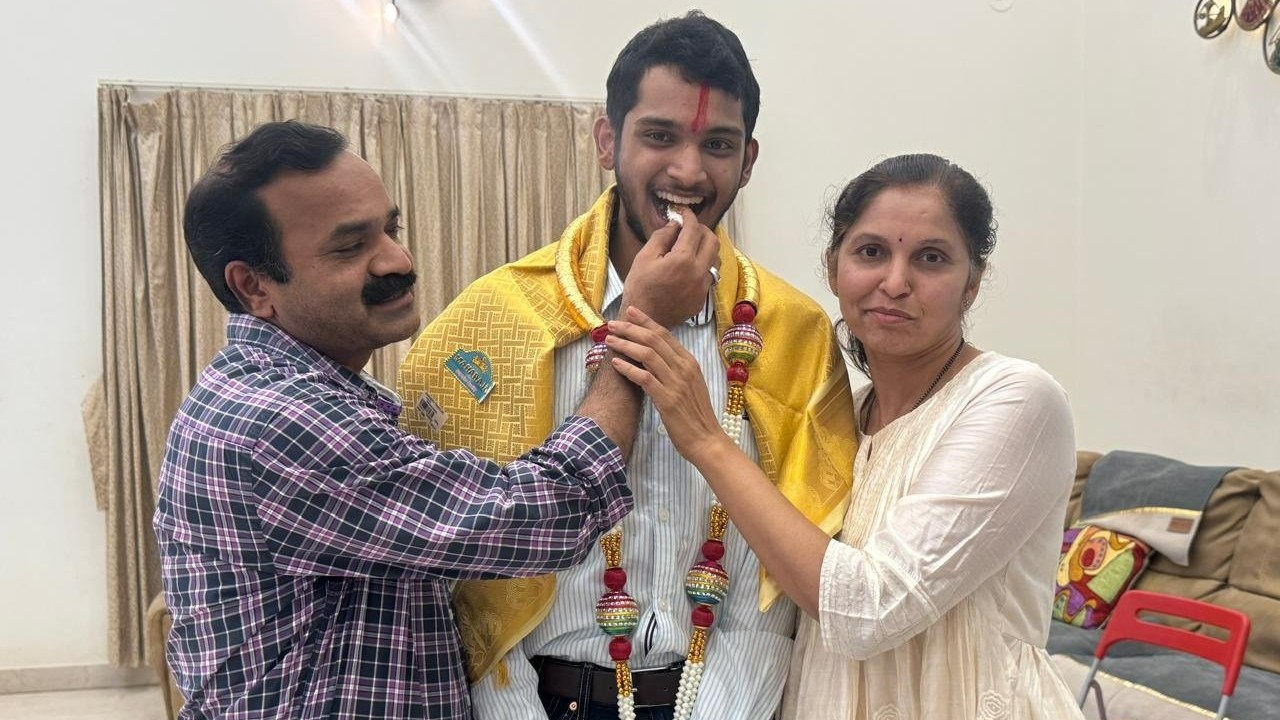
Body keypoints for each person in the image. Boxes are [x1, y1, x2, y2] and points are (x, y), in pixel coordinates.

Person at [153, 119, 712, 719]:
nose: (397, 259)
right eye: (349, 246)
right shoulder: (276, 421)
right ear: (253, 286)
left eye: (390, 229)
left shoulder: (319, 392)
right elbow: (548, 509)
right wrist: (641, 322)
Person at [396, 11, 856, 720]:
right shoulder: (491, 322)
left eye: (719, 144)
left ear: (750, 160)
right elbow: (453, 559)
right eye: (660, 135)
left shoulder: (791, 334)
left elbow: (782, 572)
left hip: (725, 699)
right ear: (607, 140)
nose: (689, 170)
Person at [607, 154, 1086, 718]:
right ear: (833, 269)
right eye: (871, 252)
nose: (895, 282)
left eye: (930, 259)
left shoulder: (1015, 398)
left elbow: (866, 610)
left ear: (972, 284)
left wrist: (708, 440)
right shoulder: (839, 419)